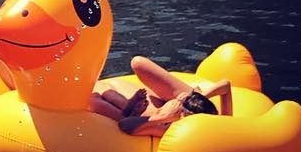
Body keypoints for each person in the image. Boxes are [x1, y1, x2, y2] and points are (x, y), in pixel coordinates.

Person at [91, 55, 233, 137]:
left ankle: (127, 108)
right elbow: (225, 85)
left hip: (156, 115)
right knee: (138, 62)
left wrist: (164, 117)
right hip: (191, 101)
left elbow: (125, 125)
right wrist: (195, 97)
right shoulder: (222, 125)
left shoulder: (172, 129)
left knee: (94, 100)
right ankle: (127, 106)